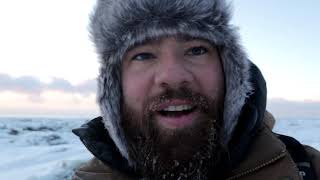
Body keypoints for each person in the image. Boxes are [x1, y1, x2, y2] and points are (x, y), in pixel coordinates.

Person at [72, 0, 320, 179]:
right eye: (143, 55)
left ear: (229, 72)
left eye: (196, 50)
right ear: (115, 86)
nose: (173, 76)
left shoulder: (307, 168)